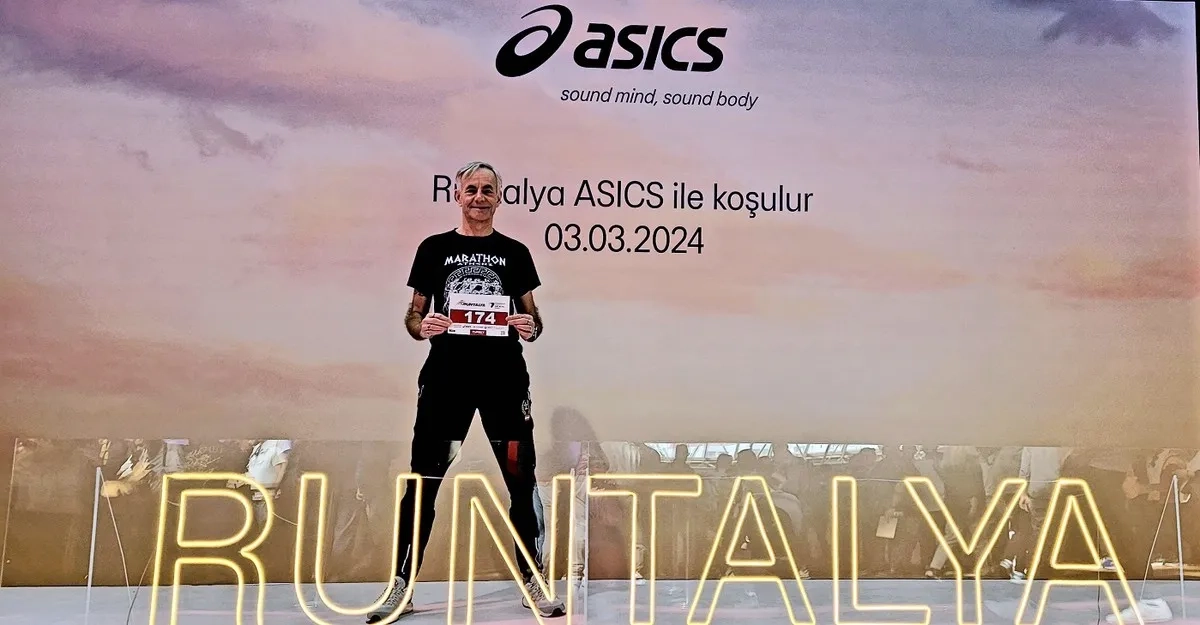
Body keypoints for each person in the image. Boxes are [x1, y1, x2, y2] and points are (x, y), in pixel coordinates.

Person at [367, 161, 564, 623]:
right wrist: (423, 327)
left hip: (504, 381)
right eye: (471, 189)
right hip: (446, 381)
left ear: (499, 198)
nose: (479, 197)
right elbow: (414, 315)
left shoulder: (515, 253)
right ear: (457, 195)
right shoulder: (434, 249)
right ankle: (401, 586)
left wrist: (530, 326)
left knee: (521, 480)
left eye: (487, 190)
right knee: (423, 482)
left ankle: (532, 579)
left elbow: (534, 319)